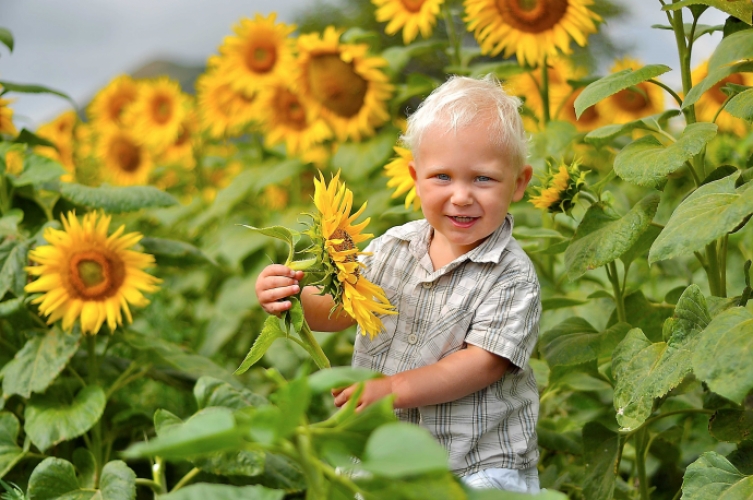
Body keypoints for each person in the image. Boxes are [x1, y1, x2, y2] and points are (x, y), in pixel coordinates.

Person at [255, 74, 540, 493]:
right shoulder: (394, 247)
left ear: (518, 183)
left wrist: (391, 389)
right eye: (442, 177)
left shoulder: (512, 275)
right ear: (415, 177)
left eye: (482, 179)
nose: (461, 196)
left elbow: (481, 364)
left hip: (475, 466)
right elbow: (341, 310)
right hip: (384, 458)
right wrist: (291, 296)